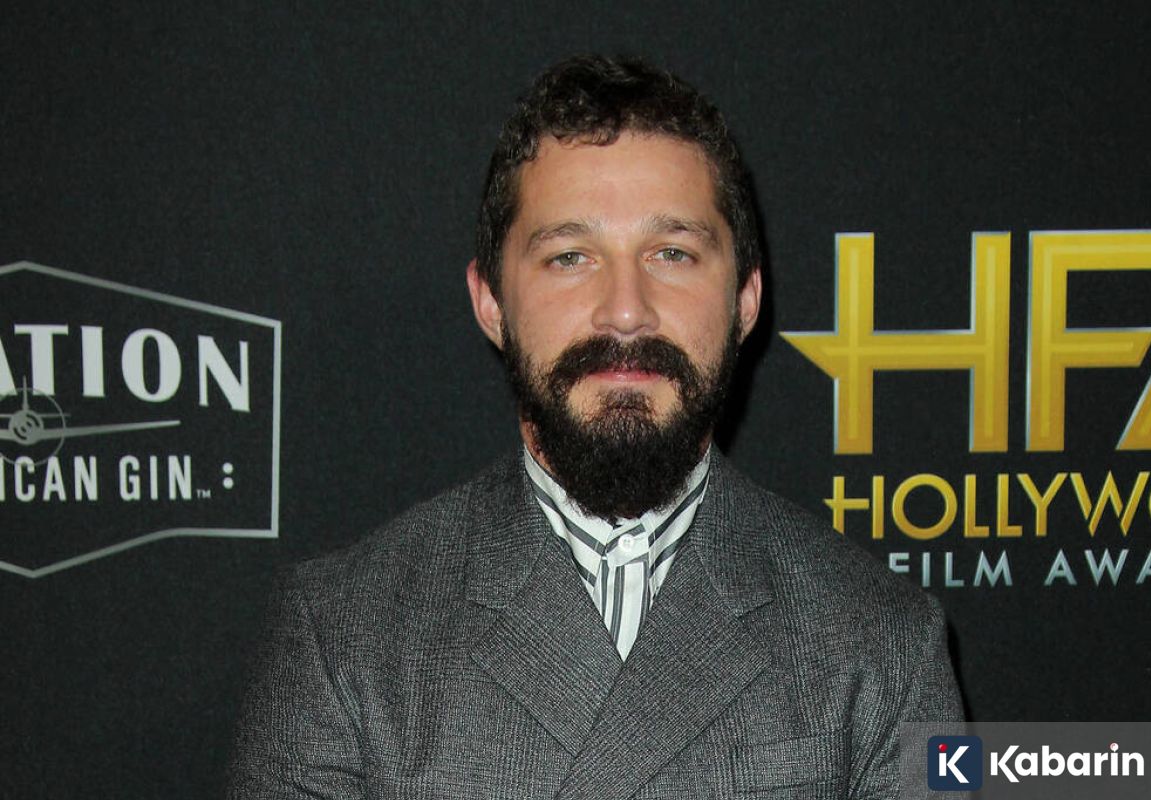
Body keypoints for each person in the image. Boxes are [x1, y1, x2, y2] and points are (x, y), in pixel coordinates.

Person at [227, 55, 962, 799]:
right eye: (570, 257)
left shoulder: (884, 644)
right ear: (491, 302)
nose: (625, 310)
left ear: (744, 299)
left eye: (672, 253)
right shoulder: (342, 635)